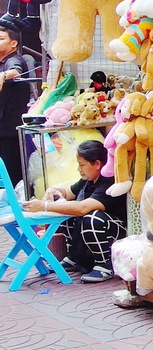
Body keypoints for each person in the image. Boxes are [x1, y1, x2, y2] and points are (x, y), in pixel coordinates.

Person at [24, 140, 126, 282]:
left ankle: (104, 265)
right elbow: (68, 192)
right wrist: (54, 191)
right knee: (66, 212)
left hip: (117, 230)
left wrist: (44, 206)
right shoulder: (89, 179)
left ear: (97, 164)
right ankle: (74, 257)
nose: (79, 169)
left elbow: (82, 208)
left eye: (82, 165)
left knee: (91, 218)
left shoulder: (109, 181)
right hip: (98, 228)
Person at [0, 17, 31, 187]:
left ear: (13, 44)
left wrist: (3, 75)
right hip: (3, 130)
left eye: (1, 38)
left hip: (9, 132)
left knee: (11, 176)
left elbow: (16, 71)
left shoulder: (14, 60)